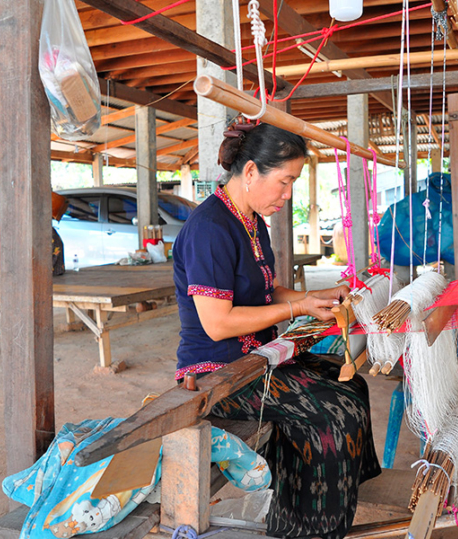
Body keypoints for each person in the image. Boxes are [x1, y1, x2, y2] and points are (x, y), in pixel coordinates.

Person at [172, 122, 381, 539]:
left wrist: (312, 297)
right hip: (219, 375)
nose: (288, 195)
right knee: (330, 417)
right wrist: (298, 306)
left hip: (257, 361)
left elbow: (263, 291)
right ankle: (305, 529)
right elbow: (218, 323)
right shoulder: (210, 228)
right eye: (284, 182)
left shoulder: (250, 222)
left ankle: (325, 504)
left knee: (351, 387)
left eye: (293, 183)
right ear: (250, 172)